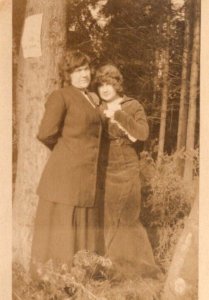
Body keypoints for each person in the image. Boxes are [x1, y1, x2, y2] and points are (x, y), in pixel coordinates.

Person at [30, 50, 104, 275]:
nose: (83, 74)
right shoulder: (61, 96)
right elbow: (45, 133)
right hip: (64, 177)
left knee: (80, 224)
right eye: (77, 70)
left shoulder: (91, 98)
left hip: (85, 176)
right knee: (62, 226)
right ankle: (55, 280)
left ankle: (79, 276)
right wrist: (67, 151)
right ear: (68, 74)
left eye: (85, 69)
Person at [94, 64, 160, 278]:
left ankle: (141, 268)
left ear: (117, 84)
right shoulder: (97, 107)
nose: (105, 88)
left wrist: (119, 115)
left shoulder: (132, 105)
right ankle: (111, 268)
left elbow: (142, 134)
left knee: (129, 217)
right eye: (101, 84)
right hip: (104, 167)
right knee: (106, 217)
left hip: (127, 166)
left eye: (109, 83)